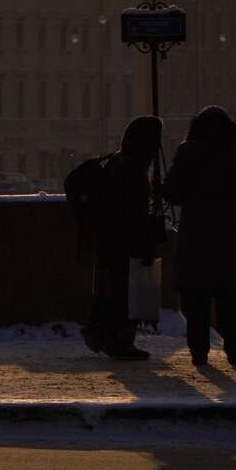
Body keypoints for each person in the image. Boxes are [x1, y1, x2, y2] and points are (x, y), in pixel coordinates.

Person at [161, 105, 236, 367]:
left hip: (196, 237)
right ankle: (235, 352)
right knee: (232, 299)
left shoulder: (187, 153)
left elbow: (171, 193)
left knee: (196, 299)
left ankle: (199, 353)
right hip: (231, 237)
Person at [71, 116, 164, 361]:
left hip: (111, 238)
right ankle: (117, 341)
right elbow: (131, 210)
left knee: (114, 290)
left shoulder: (117, 160)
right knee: (124, 292)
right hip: (125, 240)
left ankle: (102, 334)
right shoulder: (133, 168)